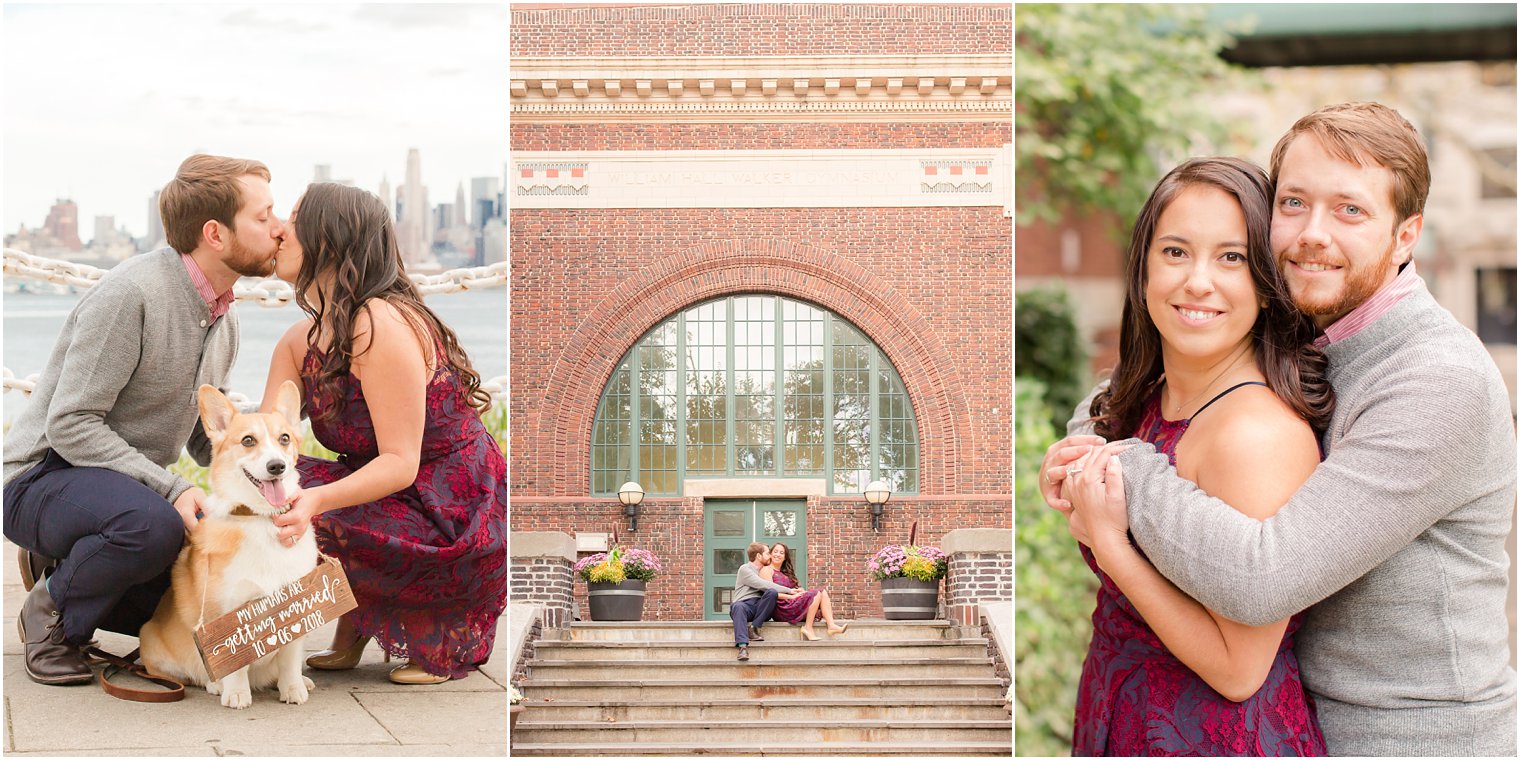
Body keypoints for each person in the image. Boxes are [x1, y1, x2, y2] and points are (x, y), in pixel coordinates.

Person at [1044, 103, 1517, 756]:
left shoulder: (1435, 379)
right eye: (1293, 203)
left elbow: (1263, 580)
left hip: (1413, 738)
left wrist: (1118, 467)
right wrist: (1086, 449)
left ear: (1407, 236)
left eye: (1350, 211)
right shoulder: (1306, 326)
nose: (1311, 235)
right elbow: (1136, 388)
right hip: (1299, 719)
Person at [1061, 157, 1332, 755]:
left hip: (1215, 737)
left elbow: (1240, 670)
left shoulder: (1255, 435)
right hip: (1118, 708)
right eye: (1176, 252)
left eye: (1231, 257)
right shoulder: (1146, 401)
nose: (1198, 282)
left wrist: (1111, 543)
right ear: (1144, 269)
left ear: (1267, 283)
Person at [4, 154, 282, 685]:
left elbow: (208, 434)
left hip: (114, 486)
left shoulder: (224, 312)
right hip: (41, 476)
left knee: (189, 583)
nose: (278, 227)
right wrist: (173, 488)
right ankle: (51, 614)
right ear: (215, 234)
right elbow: (71, 423)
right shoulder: (132, 294)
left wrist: (274, 469)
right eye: (264, 216)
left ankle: (64, 565)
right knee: (153, 528)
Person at [259, 182, 507, 684]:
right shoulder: (297, 342)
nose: (280, 231)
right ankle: (340, 628)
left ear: (329, 239)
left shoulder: (380, 324)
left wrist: (313, 501)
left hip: (450, 517)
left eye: (294, 218)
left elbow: (400, 462)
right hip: (392, 499)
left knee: (309, 504)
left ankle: (433, 632)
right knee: (270, 488)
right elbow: (263, 443)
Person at [761, 541, 849, 641]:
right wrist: (792, 596)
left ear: (785, 557)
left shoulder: (785, 573)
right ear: (771, 554)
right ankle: (808, 628)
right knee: (816, 593)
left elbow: (791, 590)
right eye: (775, 551)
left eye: (782, 553)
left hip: (792, 604)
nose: (778, 555)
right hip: (781, 608)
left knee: (822, 592)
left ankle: (831, 625)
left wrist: (799, 591)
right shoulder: (766, 570)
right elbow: (769, 594)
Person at [731, 541, 794, 661]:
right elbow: (762, 584)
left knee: (772, 593)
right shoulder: (745, 569)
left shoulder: (765, 570)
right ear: (759, 556)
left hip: (760, 608)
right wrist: (789, 591)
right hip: (744, 605)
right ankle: (743, 647)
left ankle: (754, 627)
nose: (771, 555)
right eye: (767, 553)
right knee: (738, 606)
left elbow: (771, 588)